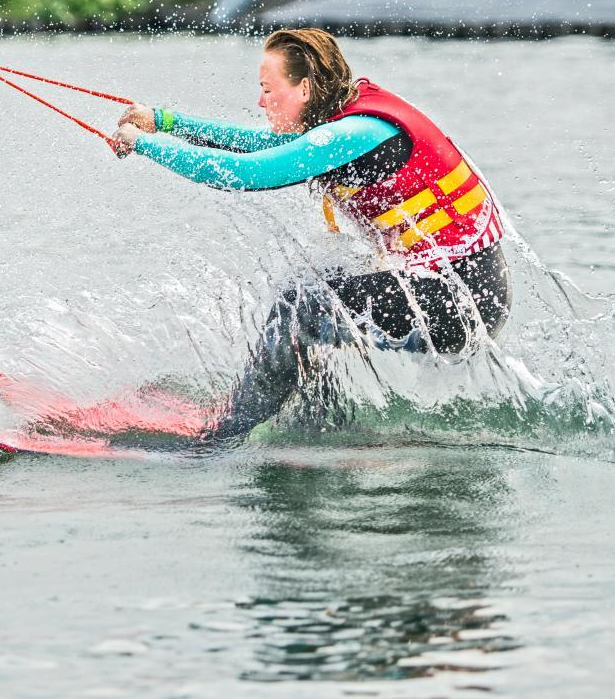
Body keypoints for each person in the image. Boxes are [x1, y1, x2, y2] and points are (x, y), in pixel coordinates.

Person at [112, 28, 512, 441]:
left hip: (463, 300)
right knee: (312, 291)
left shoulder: (355, 132)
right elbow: (258, 144)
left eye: (269, 89)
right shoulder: (334, 119)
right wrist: (163, 122)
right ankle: (315, 422)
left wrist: (143, 145)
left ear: (304, 88)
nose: (261, 101)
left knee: (302, 306)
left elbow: (252, 172)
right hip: (451, 289)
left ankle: (221, 439)